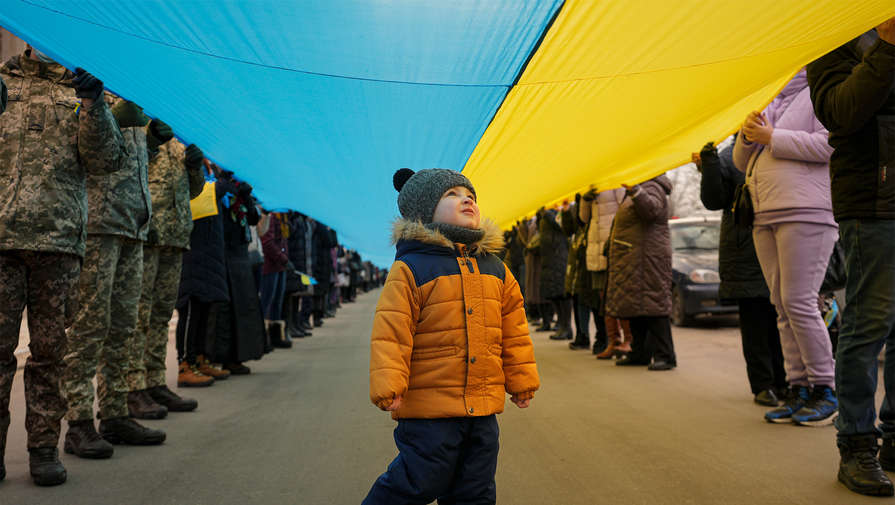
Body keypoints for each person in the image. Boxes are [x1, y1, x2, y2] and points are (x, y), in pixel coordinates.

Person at [363, 168, 539, 504]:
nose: (466, 200)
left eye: (469, 195)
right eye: (452, 195)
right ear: (424, 211)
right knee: (418, 482)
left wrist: (521, 380)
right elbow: (392, 331)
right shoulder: (412, 268)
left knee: (475, 490)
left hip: (482, 408)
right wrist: (389, 386)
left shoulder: (495, 267)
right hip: (429, 412)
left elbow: (514, 329)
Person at [0, 47, 126, 485]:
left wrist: (93, 107)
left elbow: (108, 160)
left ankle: (42, 449)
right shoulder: (4, 83)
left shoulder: (80, 88)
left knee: (50, 356)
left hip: (58, 242)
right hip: (2, 240)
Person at [807, 19, 895, 496]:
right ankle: (857, 444)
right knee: (869, 322)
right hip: (873, 198)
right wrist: (886, 46)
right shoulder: (831, 37)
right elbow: (841, 112)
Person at [62, 96, 166, 458]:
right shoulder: (90, 95)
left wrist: (150, 141)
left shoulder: (134, 95)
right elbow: (80, 151)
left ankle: (115, 412)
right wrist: (107, 117)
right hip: (99, 223)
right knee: (90, 326)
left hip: (132, 224)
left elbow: (133, 161)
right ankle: (77, 422)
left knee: (123, 325)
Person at [733, 69, 837, 426]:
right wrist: (748, 138)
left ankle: (825, 388)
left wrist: (772, 135)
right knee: (780, 304)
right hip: (765, 212)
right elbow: (741, 163)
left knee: (799, 301)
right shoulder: (768, 98)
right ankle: (799, 388)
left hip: (807, 210)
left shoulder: (821, 91)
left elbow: (829, 145)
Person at [697, 139, 787, 406]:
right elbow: (712, 200)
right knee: (756, 323)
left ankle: (786, 382)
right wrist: (710, 164)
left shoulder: (781, 142)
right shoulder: (729, 156)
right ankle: (763, 385)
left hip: (782, 244)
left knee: (784, 322)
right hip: (746, 255)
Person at [134, 133, 208, 397]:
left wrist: (194, 168)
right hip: (148, 234)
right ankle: (135, 386)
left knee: (161, 315)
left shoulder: (179, 142)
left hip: (175, 238)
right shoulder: (143, 129)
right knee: (140, 315)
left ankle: (155, 382)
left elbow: (194, 191)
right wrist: (151, 141)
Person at [606, 175, 677, 370]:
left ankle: (665, 355)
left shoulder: (653, 186)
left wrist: (636, 191)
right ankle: (640, 352)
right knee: (636, 306)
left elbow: (652, 210)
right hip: (635, 258)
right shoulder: (642, 186)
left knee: (654, 305)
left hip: (648, 258)